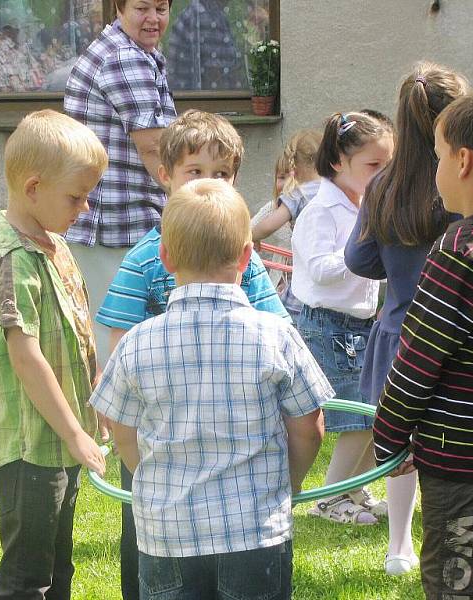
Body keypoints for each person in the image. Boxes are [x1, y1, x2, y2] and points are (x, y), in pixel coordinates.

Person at [91, 178, 331, 600]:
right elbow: (310, 427)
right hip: (255, 530)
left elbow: (120, 427)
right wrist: (287, 485)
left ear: (164, 257)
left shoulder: (136, 342)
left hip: (166, 533)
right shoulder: (275, 336)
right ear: (246, 256)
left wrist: (151, 481)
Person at [373, 89, 473, 599]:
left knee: (454, 582)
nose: (437, 167)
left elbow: (417, 359)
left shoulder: (459, 253)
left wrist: (389, 437)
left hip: (462, 454)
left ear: (464, 162)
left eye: (439, 156)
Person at [0, 110, 107, 600]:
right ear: (33, 189)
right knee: (28, 575)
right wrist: (74, 432)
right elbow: (26, 357)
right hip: (28, 445)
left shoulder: (54, 245)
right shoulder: (16, 260)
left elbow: (78, 335)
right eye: (76, 196)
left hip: (61, 437)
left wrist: (95, 407)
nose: (85, 207)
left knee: (58, 562)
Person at [345, 63, 468, 574]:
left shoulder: (383, 185)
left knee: (399, 445)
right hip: (457, 337)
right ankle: (451, 540)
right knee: (453, 442)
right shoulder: (465, 181)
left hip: (399, 332)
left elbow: (358, 259)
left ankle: (399, 547)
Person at [292, 111, 394, 525]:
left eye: (388, 165)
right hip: (329, 326)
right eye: (373, 166)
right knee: (358, 416)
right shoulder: (322, 211)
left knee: (376, 413)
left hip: (360, 326)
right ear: (338, 162)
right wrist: (363, 246)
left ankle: (354, 490)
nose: (382, 174)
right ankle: (331, 499)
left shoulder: (363, 205)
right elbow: (318, 269)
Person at [64, 0, 176, 363]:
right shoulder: (123, 58)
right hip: (112, 227)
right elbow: (154, 145)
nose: (153, 19)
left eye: (161, 8)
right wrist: (194, 202)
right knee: (119, 345)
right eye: (142, 8)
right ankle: (107, 421)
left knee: (112, 339)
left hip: (114, 223)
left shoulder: (135, 51)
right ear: (119, 8)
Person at [252, 130, 323, 318]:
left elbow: (268, 226)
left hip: (300, 290)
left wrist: (250, 236)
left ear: (296, 169)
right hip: (327, 289)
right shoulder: (335, 191)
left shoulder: (299, 194)